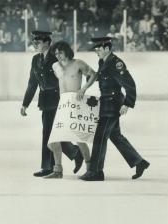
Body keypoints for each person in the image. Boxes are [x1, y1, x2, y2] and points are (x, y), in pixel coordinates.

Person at [80, 37, 150, 181]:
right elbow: (103, 78)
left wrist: (128, 104)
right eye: (95, 49)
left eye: (98, 49)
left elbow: (130, 84)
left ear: (107, 48)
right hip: (106, 102)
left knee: (100, 137)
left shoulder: (116, 63)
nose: (96, 52)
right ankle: (139, 162)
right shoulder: (103, 61)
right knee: (115, 136)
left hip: (112, 105)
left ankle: (96, 172)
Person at [21, 31, 84, 177]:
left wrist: (72, 95)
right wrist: (25, 103)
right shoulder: (36, 59)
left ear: (47, 43)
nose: (35, 44)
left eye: (38, 41)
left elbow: (70, 75)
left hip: (58, 99)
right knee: (48, 133)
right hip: (45, 100)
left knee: (51, 133)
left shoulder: (56, 57)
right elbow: (32, 82)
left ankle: (55, 165)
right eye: (34, 41)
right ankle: (70, 156)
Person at [43, 41, 97, 178]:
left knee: (79, 138)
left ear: (67, 51)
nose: (58, 55)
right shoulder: (55, 65)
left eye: (60, 52)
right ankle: (57, 170)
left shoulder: (78, 63)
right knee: (53, 140)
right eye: (55, 53)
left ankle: (90, 167)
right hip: (63, 104)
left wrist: (83, 89)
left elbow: (93, 75)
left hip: (75, 104)